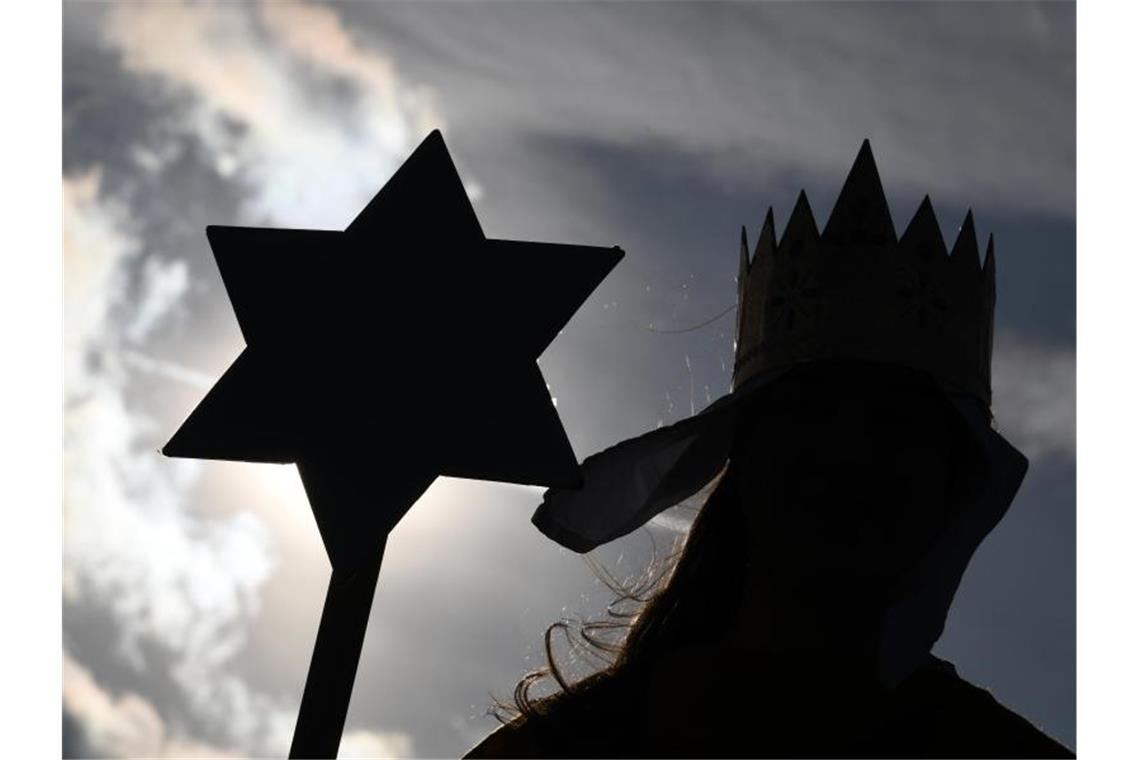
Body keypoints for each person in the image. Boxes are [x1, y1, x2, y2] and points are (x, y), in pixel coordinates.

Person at [464, 142, 1073, 758]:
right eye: (815, 423)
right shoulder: (568, 748)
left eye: (897, 436)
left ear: (958, 485)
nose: (852, 463)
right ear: (747, 457)